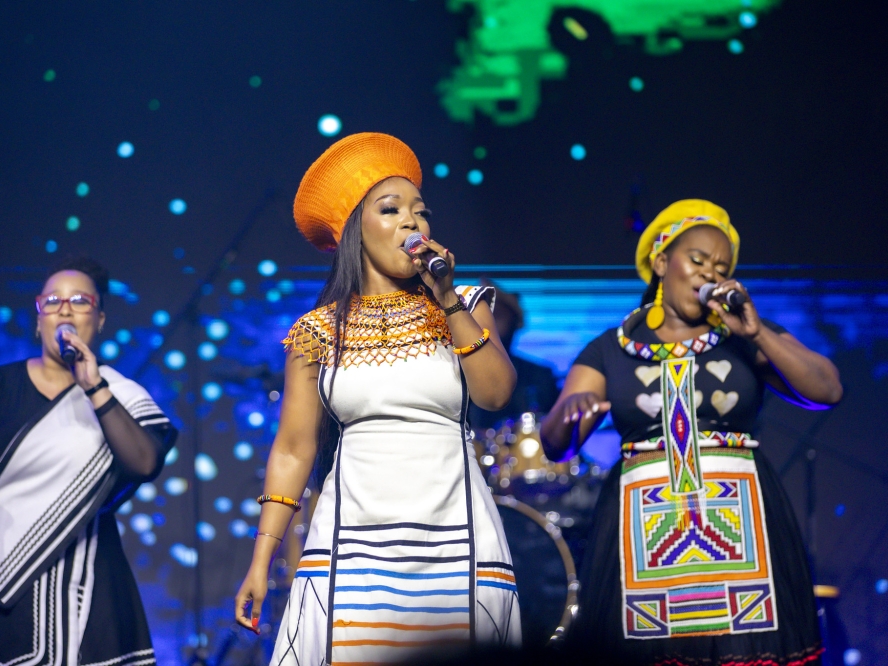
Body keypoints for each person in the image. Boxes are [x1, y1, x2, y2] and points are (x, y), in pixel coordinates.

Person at [234, 133, 523, 665]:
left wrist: (448, 298)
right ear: (355, 231)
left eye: (420, 211)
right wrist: (262, 559)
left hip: (456, 538)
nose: (413, 223)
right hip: (351, 544)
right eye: (391, 210)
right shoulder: (316, 332)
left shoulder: (465, 306)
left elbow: (496, 393)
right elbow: (294, 449)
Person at [541, 200, 842, 666]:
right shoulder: (611, 349)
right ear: (662, 262)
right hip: (644, 535)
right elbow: (555, 442)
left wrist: (759, 334)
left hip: (745, 533)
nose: (709, 274)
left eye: (721, 268)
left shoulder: (743, 335)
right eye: (697, 260)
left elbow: (827, 390)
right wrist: (570, 413)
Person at [0, 257, 177, 666]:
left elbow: (144, 463)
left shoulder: (120, 395)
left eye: (79, 300)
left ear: (99, 320)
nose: (64, 308)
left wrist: (93, 386)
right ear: (37, 318)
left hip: (80, 576)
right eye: (52, 300)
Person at [468, 284, 560, 428]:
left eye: (495, 315)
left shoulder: (540, 376)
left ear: (516, 322)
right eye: (475, 317)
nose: (486, 323)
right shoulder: (450, 371)